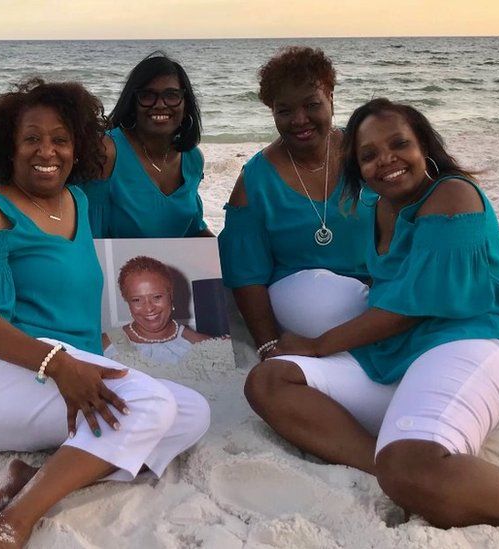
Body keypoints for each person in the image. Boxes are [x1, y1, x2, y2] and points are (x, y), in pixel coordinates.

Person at [244, 98, 499, 548]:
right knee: (269, 381)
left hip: (478, 342)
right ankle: (387, 463)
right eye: (370, 155)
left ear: (425, 147)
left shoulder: (452, 196)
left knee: (412, 466)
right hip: (400, 355)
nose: (387, 160)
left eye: (400, 144)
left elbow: (408, 308)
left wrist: (319, 345)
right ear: (357, 168)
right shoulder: (377, 208)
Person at [0, 78, 210, 548]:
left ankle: (31, 478)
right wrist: (58, 365)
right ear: (7, 147)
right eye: (32, 138)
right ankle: (15, 520)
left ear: (78, 147)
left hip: (60, 367)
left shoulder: (75, 201)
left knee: (192, 413)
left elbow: (78, 299)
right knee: (151, 406)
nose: (48, 151)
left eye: (61, 139)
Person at [217, 46, 374, 362]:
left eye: (312, 105)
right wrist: (267, 346)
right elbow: (246, 276)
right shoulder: (255, 181)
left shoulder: (363, 152)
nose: (299, 120)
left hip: (374, 288)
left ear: (330, 97)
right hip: (303, 297)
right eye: (284, 111)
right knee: (326, 305)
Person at [78, 51, 213, 238]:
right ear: (133, 102)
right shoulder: (107, 152)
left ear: (186, 104)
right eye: (148, 95)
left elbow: (194, 229)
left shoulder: (192, 158)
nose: (159, 104)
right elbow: (88, 233)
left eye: (171, 95)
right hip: (113, 266)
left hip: (170, 267)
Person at [103, 255, 213, 365]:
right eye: (136, 300)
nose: (149, 308)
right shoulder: (102, 345)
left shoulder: (203, 346)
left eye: (157, 297)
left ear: (171, 295)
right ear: (127, 301)